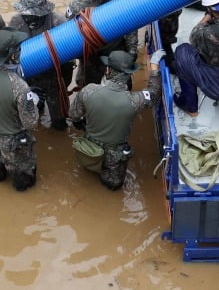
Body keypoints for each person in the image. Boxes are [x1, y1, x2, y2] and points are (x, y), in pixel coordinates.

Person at [68, 50, 160, 191]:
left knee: (86, 175)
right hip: (114, 159)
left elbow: (73, 115)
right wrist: (154, 67)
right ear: (129, 74)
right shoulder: (136, 100)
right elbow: (154, 93)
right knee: (112, 187)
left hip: (89, 150)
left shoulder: (89, 91)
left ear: (107, 70)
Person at [0, 30, 41, 192]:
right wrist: (34, 101)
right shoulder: (20, 87)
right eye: (18, 49)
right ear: (12, 56)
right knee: (24, 182)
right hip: (13, 141)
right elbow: (31, 123)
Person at [8, 0, 72, 130]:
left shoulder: (58, 22)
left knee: (59, 121)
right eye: (27, 15)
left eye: (36, 16)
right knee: (30, 114)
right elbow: (8, 51)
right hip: (28, 76)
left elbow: (70, 50)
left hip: (53, 77)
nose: (31, 19)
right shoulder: (16, 22)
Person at [65, 0, 138, 88]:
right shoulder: (77, 5)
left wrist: (132, 52)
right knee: (87, 86)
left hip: (115, 51)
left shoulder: (121, 1)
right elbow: (68, 32)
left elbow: (131, 27)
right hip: (90, 53)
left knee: (122, 85)